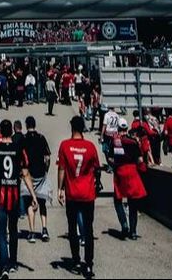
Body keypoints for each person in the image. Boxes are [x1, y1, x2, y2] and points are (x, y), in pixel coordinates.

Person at [0, 119, 38, 278]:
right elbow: (25, 173)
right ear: (12, 132)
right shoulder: (18, 149)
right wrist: (33, 195)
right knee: (13, 229)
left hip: (0, 195)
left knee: (1, 232)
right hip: (14, 195)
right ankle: (13, 261)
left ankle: (3, 265)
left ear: (1, 132)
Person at [57, 115, 100, 279]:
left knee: (72, 228)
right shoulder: (90, 147)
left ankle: (76, 259)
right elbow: (96, 168)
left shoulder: (65, 145)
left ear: (72, 127)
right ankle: (88, 264)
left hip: (72, 193)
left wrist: (60, 189)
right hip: (87, 193)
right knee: (88, 230)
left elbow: (61, 168)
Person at [111, 120, 147, 239]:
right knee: (133, 203)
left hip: (120, 172)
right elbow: (140, 160)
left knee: (118, 200)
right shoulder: (133, 142)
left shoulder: (115, 141)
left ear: (118, 128)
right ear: (126, 128)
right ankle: (133, 232)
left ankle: (124, 224)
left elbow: (111, 158)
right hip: (132, 172)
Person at [19, 116, 52, 243]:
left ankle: (32, 232)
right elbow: (47, 156)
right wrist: (46, 170)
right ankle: (44, 229)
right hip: (40, 173)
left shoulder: (24, 139)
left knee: (29, 203)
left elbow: (21, 156)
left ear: (27, 125)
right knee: (42, 202)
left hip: (29, 174)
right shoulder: (41, 138)